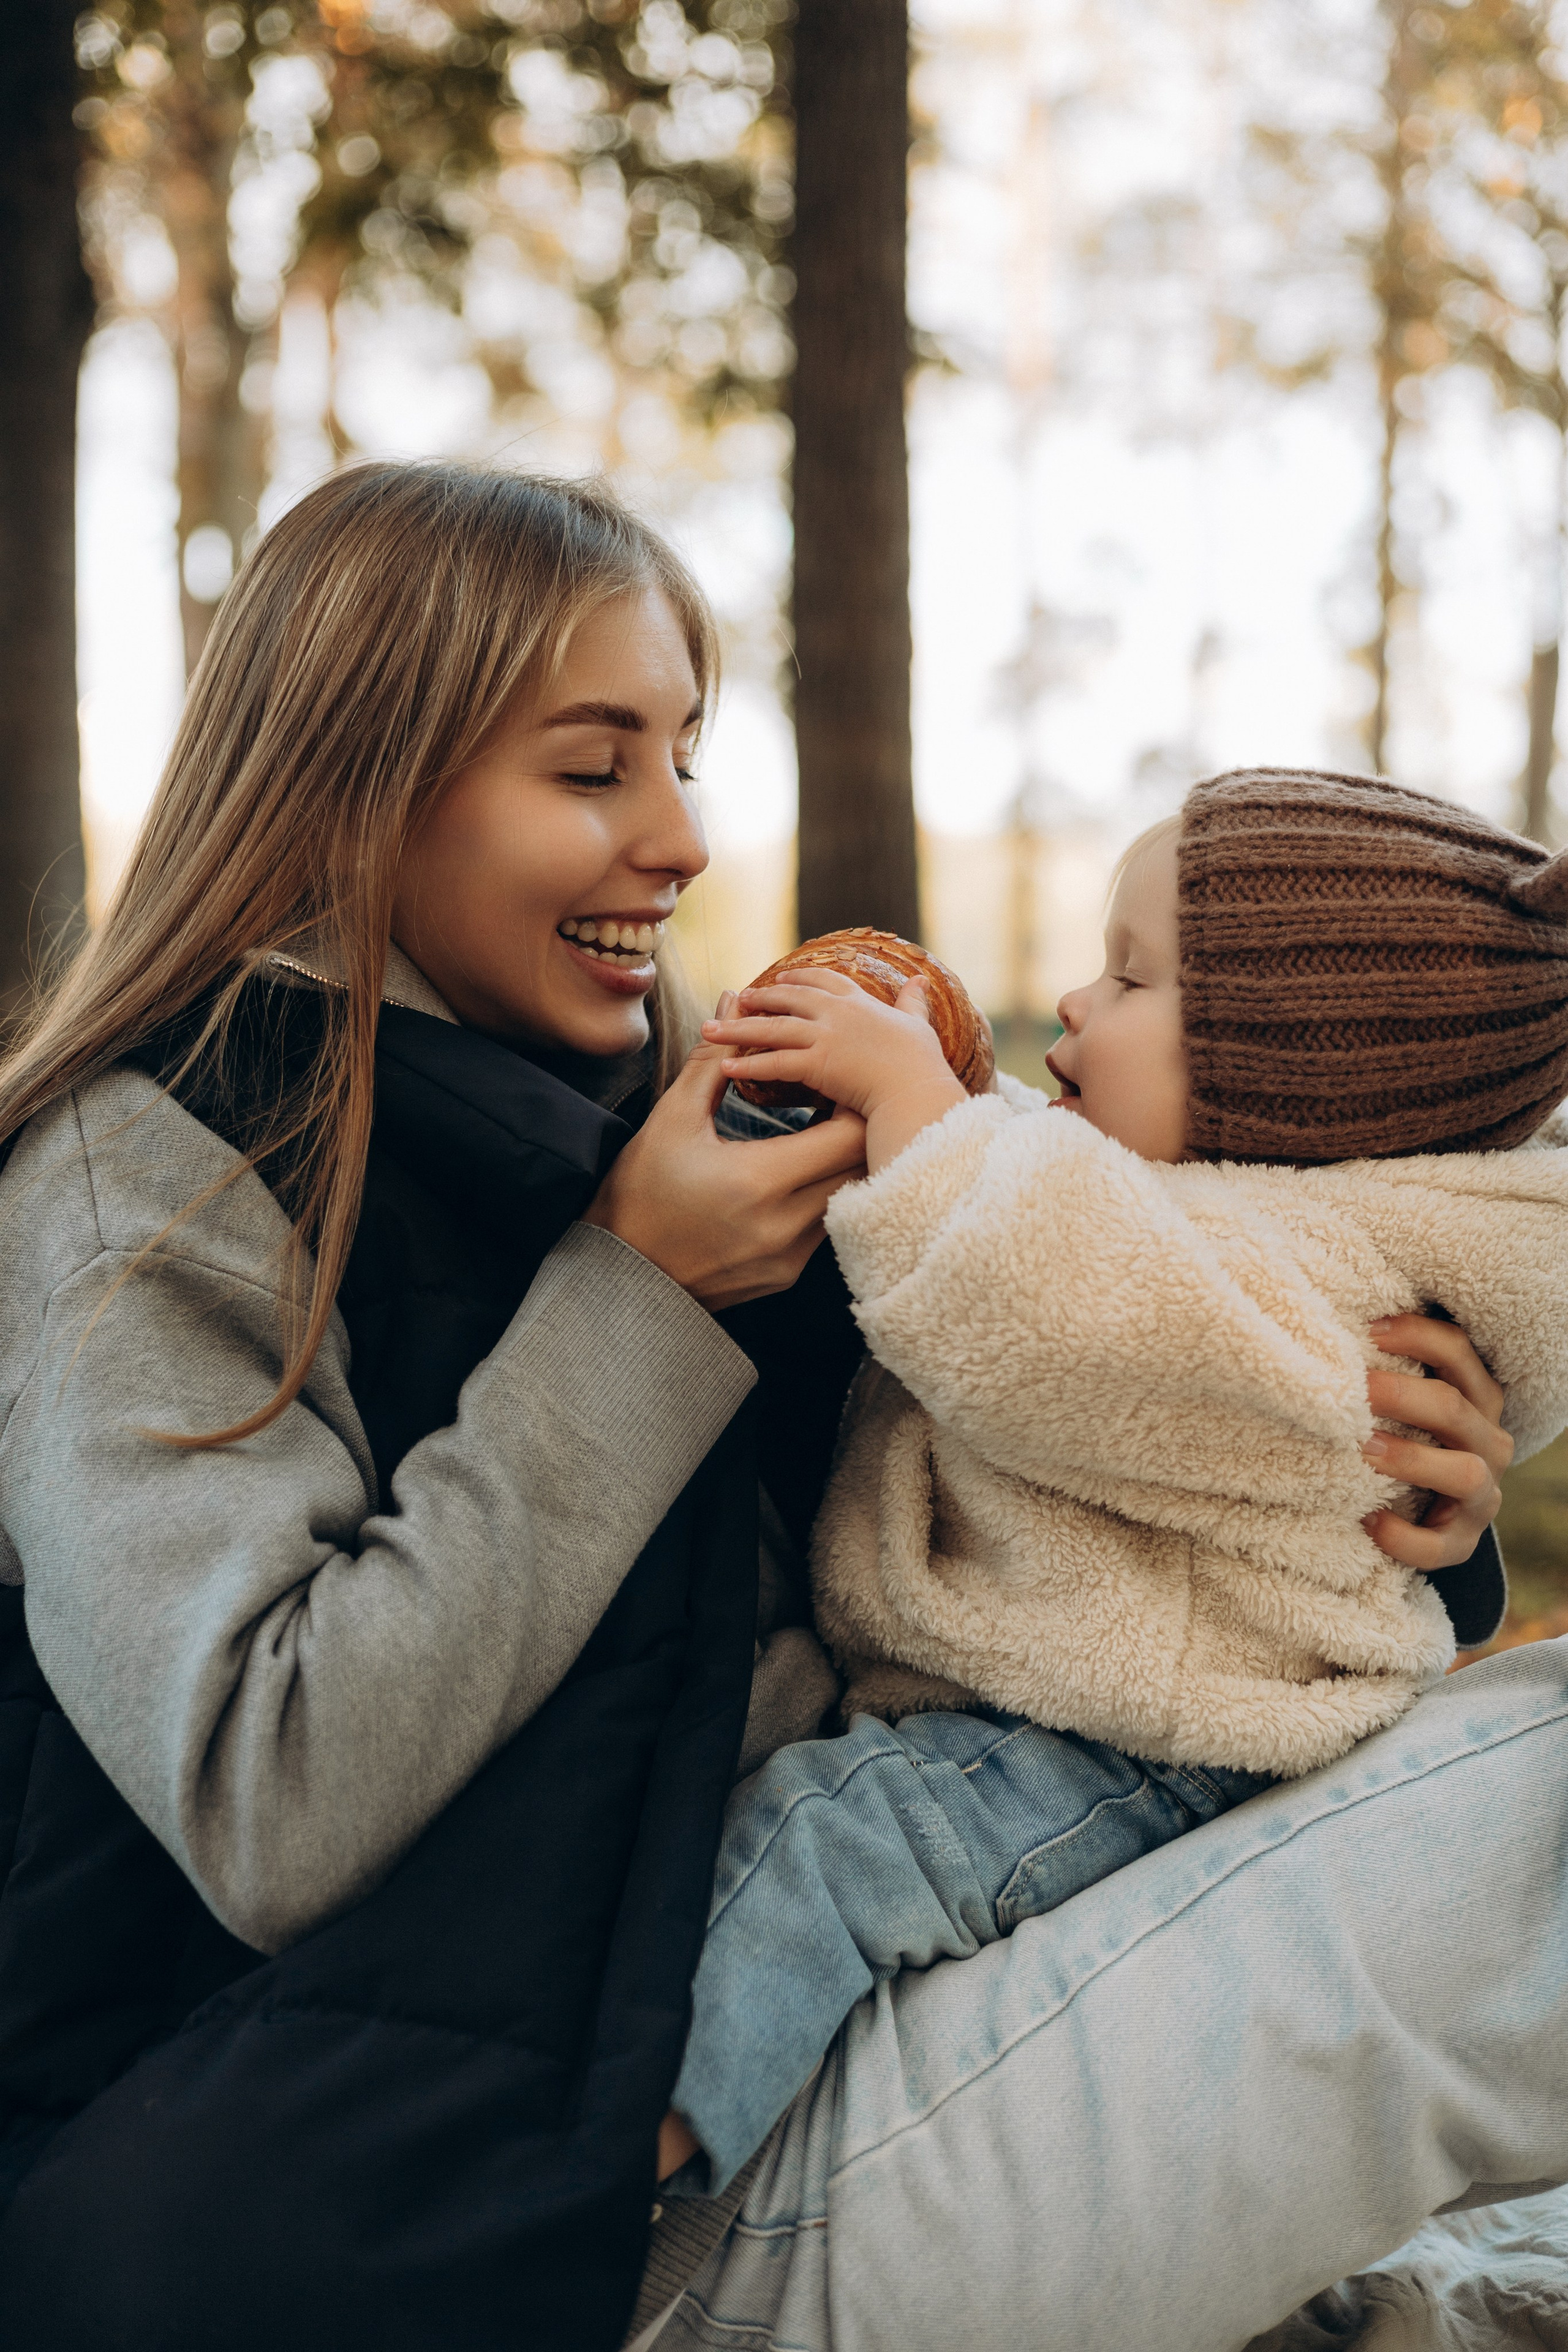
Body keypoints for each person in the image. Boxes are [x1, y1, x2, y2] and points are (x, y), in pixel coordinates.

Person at [0, 466, 1515, 2352]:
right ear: (360, 782)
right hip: (480, 2190)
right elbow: (271, 1798)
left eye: (685, 758)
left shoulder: (655, 1109)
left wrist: (1383, 1503)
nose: (685, 839)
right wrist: (635, 1296)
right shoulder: (156, 1166)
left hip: (821, 1992)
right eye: (593, 768)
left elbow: (984, 1510)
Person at [668, 767, 1568, 2203]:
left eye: (1130, 978)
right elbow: (1072, 1207)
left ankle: (614, 2173)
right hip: (1098, 1695)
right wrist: (957, 1105)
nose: (1077, 1005)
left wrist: (913, 1106)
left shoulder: (1282, 1285)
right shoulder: (1248, 1220)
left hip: (1133, 1739)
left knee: (831, 1845)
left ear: (1291, 1082)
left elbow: (1062, 1307)